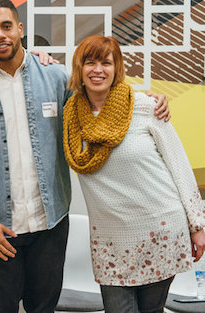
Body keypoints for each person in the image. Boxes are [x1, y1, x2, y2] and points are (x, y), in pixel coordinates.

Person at [0, 0, 170, 313]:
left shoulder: (54, 77)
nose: (0, 35)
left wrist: (144, 99)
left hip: (49, 225)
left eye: (7, 26)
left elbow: (98, 102)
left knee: (44, 307)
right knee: (1, 307)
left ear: (20, 29)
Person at [62, 35, 205, 313]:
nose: (98, 70)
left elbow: (179, 165)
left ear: (117, 68)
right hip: (110, 240)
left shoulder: (145, 107)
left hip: (160, 230)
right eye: (89, 62)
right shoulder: (70, 117)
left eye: (106, 62)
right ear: (79, 68)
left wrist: (197, 226)